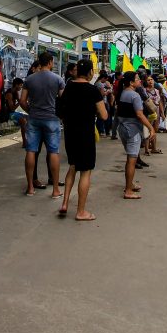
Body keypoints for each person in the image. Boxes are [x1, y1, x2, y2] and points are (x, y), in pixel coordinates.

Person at [57, 59, 107, 221]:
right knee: (85, 172)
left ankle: (64, 202)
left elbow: (60, 110)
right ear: (90, 72)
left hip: (70, 133)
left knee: (73, 166)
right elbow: (104, 115)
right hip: (85, 134)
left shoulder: (69, 87)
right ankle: (81, 211)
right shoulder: (92, 90)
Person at [19, 52, 64, 198]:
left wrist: (30, 110)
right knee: (53, 152)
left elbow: (22, 100)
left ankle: (30, 188)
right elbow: (63, 100)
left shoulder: (30, 79)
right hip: (52, 119)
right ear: (50, 62)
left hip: (34, 119)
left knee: (31, 150)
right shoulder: (58, 79)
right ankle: (56, 190)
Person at [115, 71, 156, 199]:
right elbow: (139, 114)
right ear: (131, 82)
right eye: (137, 79)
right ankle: (128, 190)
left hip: (122, 128)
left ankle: (130, 184)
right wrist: (151, 128)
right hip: (132, 131)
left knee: (130, 159)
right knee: (131, 160)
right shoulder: (135, 96)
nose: (140, 81)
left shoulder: (123, 93)